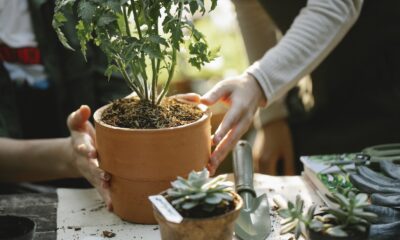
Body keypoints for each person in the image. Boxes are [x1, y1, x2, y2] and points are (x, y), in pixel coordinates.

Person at [184, 0, 400, 175]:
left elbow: (336, 5)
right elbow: (249, 6)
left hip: (384, 93)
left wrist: (258, 82)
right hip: (319, 95)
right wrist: (272, 117)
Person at [0, 0, 129, 207]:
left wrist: (154, 109)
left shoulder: (86, 6)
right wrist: (72, 155)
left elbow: (119, 92)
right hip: (12, 197)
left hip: (96, 182)